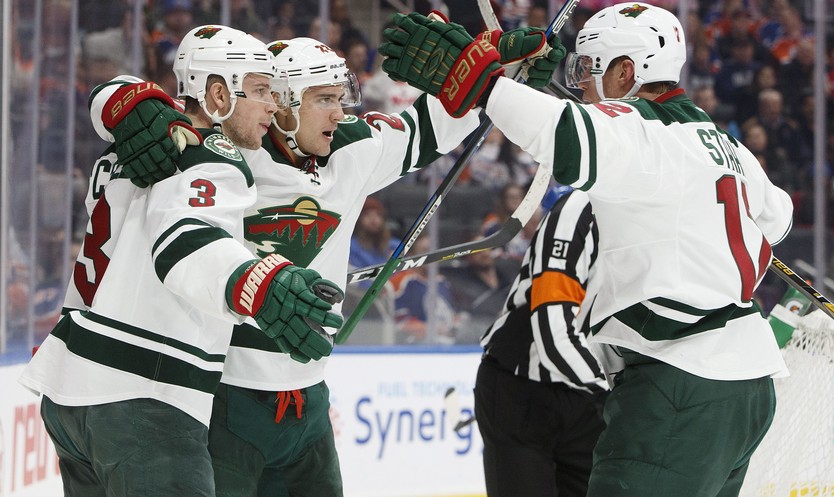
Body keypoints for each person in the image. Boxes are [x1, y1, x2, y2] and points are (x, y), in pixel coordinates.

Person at [88, 23, 559, 494]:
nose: (340, 112)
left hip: (308, 401)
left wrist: (501, 83)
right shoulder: (230, 150)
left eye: (341, 97)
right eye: (323, 100)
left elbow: (431, 125)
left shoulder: (353, 146)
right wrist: (123, 100)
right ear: (284, 103)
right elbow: (152, 110)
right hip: (224, 397)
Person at [379, 3, 794, 496]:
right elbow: (780, 217)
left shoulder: (640, 129)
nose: (579, 85)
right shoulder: (725, 145)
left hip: (679, 382)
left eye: (586, 69)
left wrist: (486, 86)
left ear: (625, 72)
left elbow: (567, 135)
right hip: (747, 387)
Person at [18, 25, 343, 497]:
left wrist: (119, 95)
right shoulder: (214, 156)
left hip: (72, 394)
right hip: (144, 399)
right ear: (216, 94)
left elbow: (114, 105)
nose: (272, 106)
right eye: (257, 90)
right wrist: (255, 283)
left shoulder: (132, 145)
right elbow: (184, 239)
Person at [475, 188, 610, 497]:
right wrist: (617, 389)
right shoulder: (581, 208)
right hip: (521, 389)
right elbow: (554, 335)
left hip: (587, 400)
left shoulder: (660, 215)